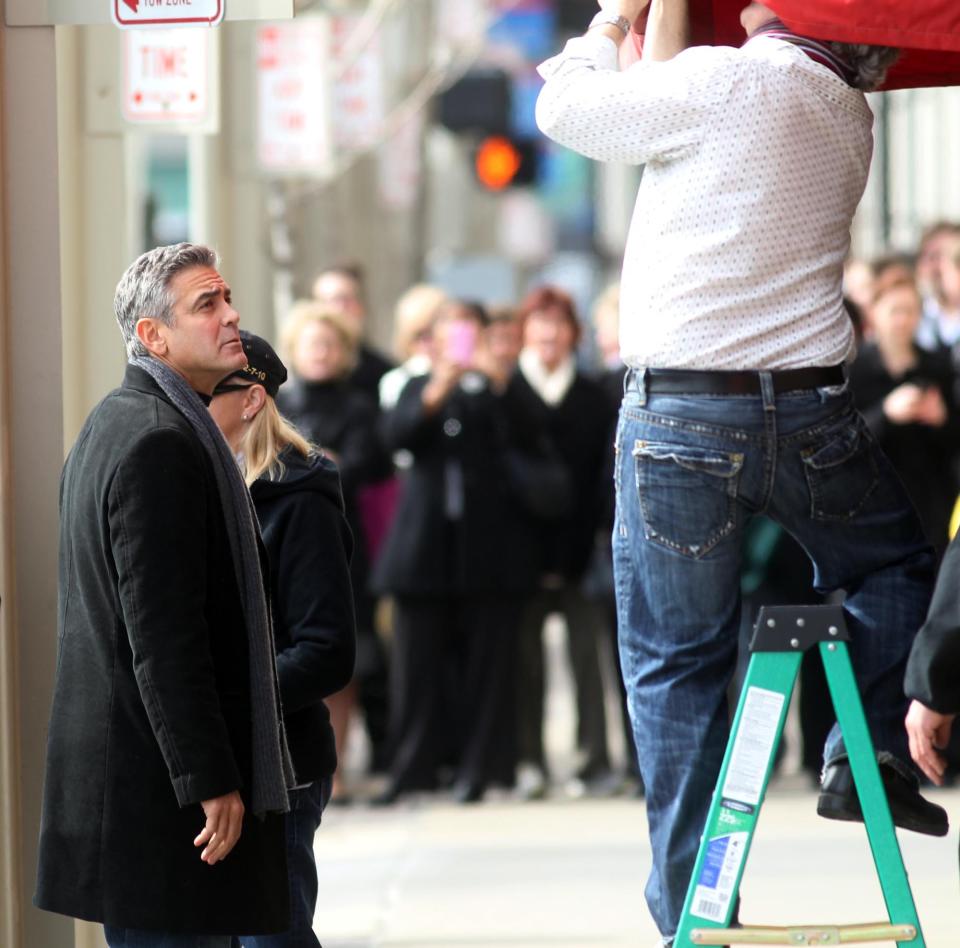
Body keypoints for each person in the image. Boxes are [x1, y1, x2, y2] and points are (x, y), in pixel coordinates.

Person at [537, 3, 944, 943]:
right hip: (810, 411)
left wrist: (608, 21)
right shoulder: (847, 112)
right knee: (892, 567)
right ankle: (862, 750)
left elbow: (569, 110)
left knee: (675, 668)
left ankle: (693, 909)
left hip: (678, 413)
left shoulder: (725, 84)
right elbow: (665, 104)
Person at [34, 243, 293, 946]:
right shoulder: (161, 444)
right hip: (164, 800)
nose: (231, 315)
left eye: (228, 297)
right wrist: (209, 778)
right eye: (206, 305)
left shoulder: (116, 422)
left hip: (138, 784)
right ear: (153, 336)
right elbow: (163, 634)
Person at [210, 331, 356, 948]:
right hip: (222, 759)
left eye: (204, 392)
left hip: (284, 764)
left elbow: (326, 651)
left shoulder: (299, 497)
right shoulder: (204, 487)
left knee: (276, 935)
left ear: (251, 399)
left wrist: (232, 701)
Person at [372, 300, 537, 804]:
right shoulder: (418, 383)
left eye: (469, 330)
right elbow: (396, 437)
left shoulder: (498, 386)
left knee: (488, 669)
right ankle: (412, 768)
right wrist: (439, 385)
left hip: (487, 551)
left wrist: (497, 378)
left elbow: (532, 434)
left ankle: (480, 768)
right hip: (423, 551)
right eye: (450, 330)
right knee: (416, 667)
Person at [277, 302, 391, 800]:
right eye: (311, 343)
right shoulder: (275, 402)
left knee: (347, 659)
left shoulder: (360, 406)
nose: (320, 352)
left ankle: (339, 767)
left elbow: (368, 464)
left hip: (346, 543)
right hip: (286, 543)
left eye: (329, 343)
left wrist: (321, 462)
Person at [508, 286, 617, 799]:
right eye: (539, 324)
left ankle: (592, 759)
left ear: (574, 333)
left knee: (586, 659)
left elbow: (602, 476)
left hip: (579, 549)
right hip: (521, 552)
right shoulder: (506, 391)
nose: (549, 335)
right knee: (523, 662)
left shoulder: (595, 395)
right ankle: (527, 758)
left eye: (558, 325)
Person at [849, 275, 960, 557]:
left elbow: (954, 440)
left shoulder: (938, 366)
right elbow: (844, 439)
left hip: (930, 503)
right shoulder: (856, 370)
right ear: (874, 313)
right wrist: (886, 413)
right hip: (872, 502)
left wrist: (941, 418)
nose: (902, 320)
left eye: (910, 311)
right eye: (894, 311)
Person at [313, 263, 394, 402]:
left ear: (361, 306)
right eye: (326, 302)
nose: (336, 310)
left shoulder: (383, 373)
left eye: (344, 300)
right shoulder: (294, 373)